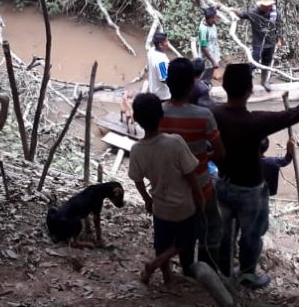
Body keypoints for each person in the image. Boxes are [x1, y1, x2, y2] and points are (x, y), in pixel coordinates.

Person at [211, 64, 299, 288]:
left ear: (224, 86)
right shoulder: (255, 122)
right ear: (250, 90)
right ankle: (247, 274)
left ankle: (223, 271)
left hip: (222, 184)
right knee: (251, 235)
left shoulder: (214, 113)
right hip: (249, 191)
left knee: (224, 231)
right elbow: (298, 113)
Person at [128, 93, 205, 284]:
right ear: (162, 116)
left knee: (162, 243)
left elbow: (137, 179)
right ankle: (155, 264)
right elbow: (190, 173)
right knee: (188, 239)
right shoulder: (175, 142)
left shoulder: (137, 150)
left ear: (136, 119)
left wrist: (147, 199)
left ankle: (167, 276)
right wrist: (199, 195)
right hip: (183, 207)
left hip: (160, 207)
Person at [159, 58, 224, 275]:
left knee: (182, 229)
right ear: (191, 86)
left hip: (168, 187)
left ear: (167, 84)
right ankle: (204, 266)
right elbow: (220, 152)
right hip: (201, 184)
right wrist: (205, 155)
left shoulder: (157, 113)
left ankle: (187, 267)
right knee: (212, 225)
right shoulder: (203, 116)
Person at [226, 0, 283, 91]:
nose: (268, 8)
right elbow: (241, 14)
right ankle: (245, 82)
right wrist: (233, 10)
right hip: (258, 43)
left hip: (270, 43)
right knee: (253, 63)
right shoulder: (253, 13)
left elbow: (278, 26)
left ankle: (264, 81)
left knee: (266, 63)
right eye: (266, 6)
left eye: (269, 5)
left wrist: (279, 40)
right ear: (261, 5)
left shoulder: (275, 13)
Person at [46, 182, 125, 248]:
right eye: (118, 199)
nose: (117, 202)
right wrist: (99, 239)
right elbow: (96, 219)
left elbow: (86, 210)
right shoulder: (98, 198)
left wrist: (88, 228)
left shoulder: (93, 189)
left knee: (61, 211)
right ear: (113, 194)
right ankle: (75, 242)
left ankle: (57, 233)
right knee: (76, 219)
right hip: (64, 225)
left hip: (54, 222)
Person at [198, 6, 223, 86]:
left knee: (210, 74)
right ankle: (201, 89)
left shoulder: (210, 22)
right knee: (204, 75)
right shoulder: (203, 30)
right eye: (214, 18)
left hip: (214, 52)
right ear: (209, 18)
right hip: (207, 57)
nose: (215, 20)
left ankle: (207, 86)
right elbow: (203, 48)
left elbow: (209, 10)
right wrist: (213, 61)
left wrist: (216, 7)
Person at [146, 32, 171, 101]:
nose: (168, 43)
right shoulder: (162, 61)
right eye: (166, 41)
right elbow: (164, 79)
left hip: (153, 89)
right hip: (162, 95)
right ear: (160, 45)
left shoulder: (151, 51)